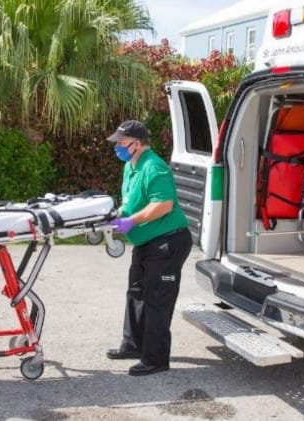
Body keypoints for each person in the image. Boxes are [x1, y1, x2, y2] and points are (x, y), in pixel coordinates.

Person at [104, 120, 193, 376]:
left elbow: (163, 204)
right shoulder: (131, 166)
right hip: (146, 242)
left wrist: (131, 221)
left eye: (122, 142)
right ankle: (133, 345)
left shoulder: (154, 167)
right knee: (136, 292)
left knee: (157, 299)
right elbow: (130, 201)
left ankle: (156, 359)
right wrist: (115, 216)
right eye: (118, 142)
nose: (118, 147)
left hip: (168, 242)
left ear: (138, 143)